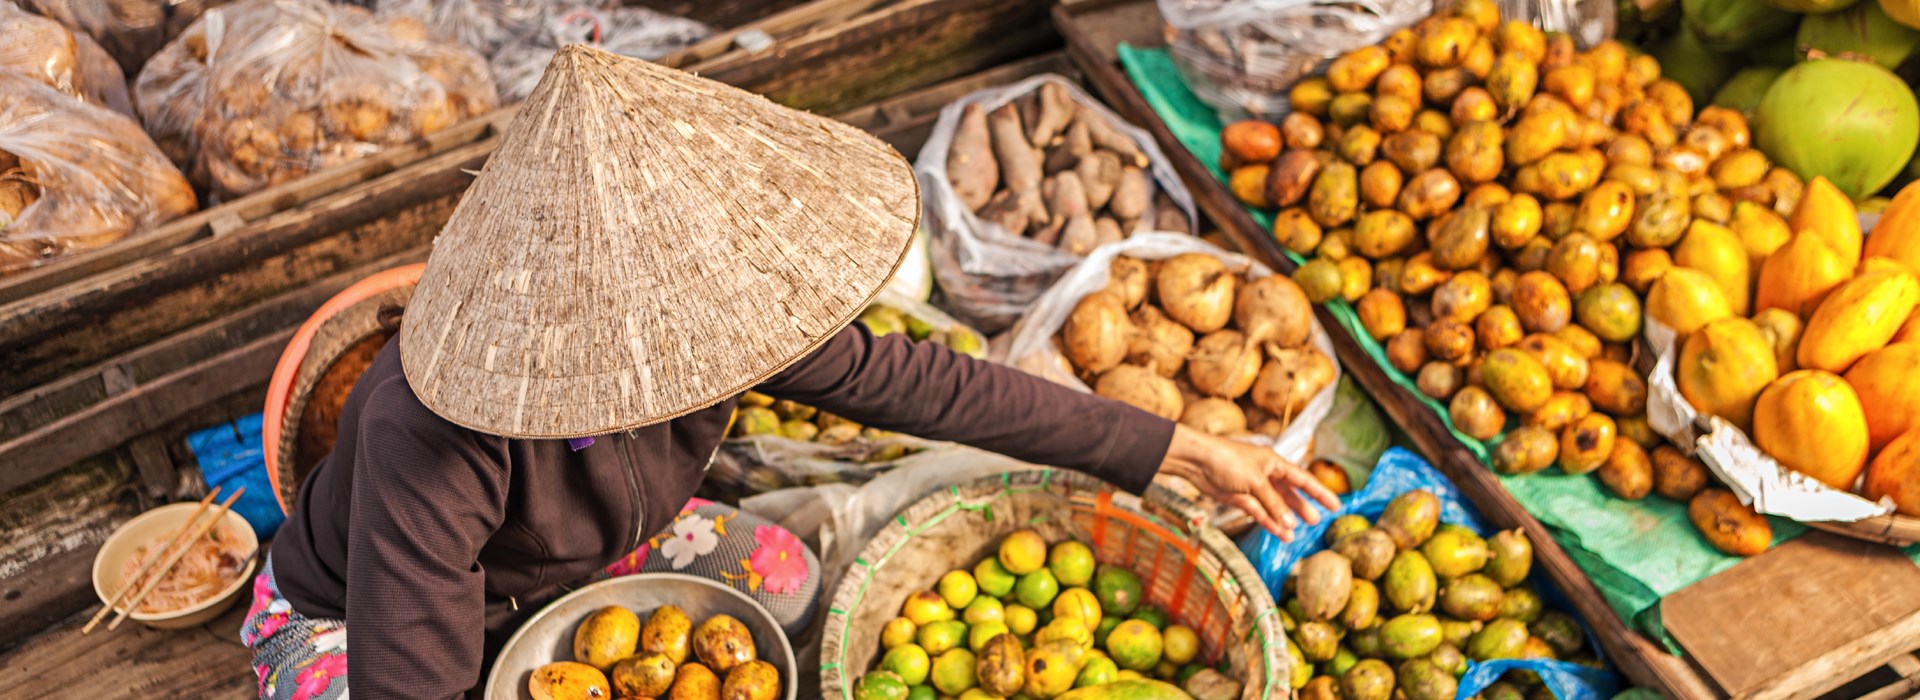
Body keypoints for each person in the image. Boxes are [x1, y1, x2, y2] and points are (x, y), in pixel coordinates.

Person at [242, 45, 1338, 700]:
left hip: (576, 566)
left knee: (788, 574)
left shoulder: (713, 312)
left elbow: (931, 385)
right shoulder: (428, 434)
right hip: (358, 622)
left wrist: (1175, 446)